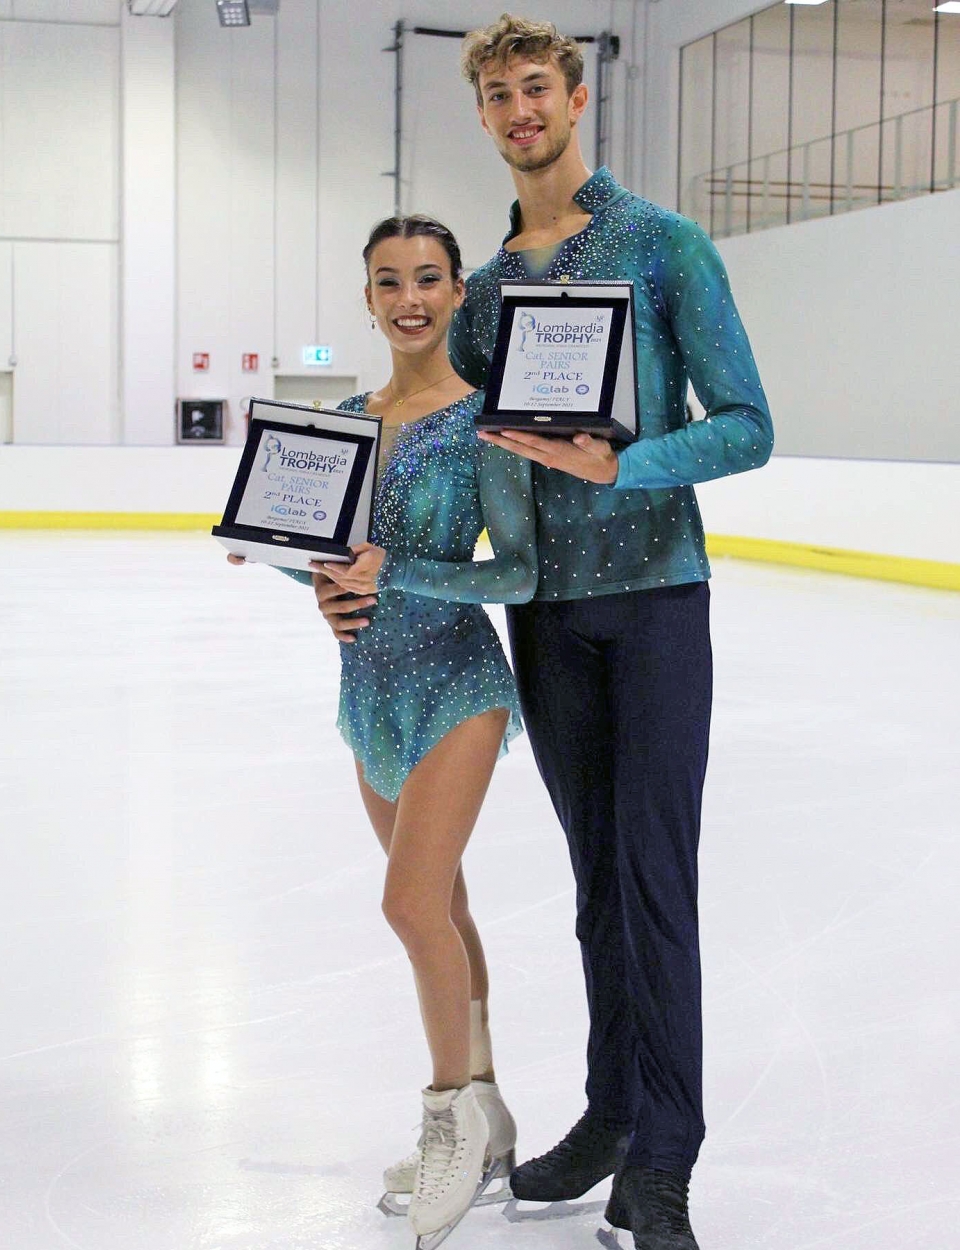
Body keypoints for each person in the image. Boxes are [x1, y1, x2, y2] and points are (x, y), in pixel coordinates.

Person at [449, 14, 773, 1250]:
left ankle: (667, 1160)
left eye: (537, 86)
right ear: (482, 118)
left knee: (653, 881)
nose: (519, 108)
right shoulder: (486, 298)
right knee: (595, 884)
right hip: (547, 616)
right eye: (497, 94)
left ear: (575, 98)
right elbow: (468, 457)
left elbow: (743, 424)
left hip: (651, 604)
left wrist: (626, 461)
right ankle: (608, 1113)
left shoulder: (663, 245)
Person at [232, 214, 536, 1245]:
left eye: (428, 278)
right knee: (442, 902)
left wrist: (389, 571)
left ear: (457, 292)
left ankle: (447, 1114)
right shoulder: (344, 426)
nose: (409, 297)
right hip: (369, 691)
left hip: (457, 680)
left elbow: (518, 571)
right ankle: (489, 1116)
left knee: (409, 904)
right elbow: (327, 559)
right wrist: (295, 570)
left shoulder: (485, 421)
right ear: (366, 298)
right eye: (388, 280)